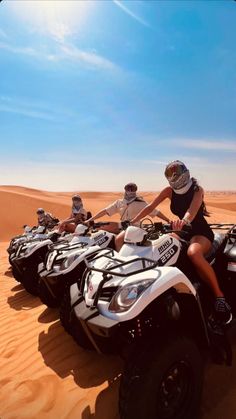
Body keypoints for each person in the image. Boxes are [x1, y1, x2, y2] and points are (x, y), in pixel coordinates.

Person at [130, 160, 232, 325]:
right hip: (182, 231)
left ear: (184, 172)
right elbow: (150, 207)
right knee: (160, 247)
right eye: (170, 174)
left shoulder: (197, 190)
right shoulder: (169, 191)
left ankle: (219, 296)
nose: (174, 177)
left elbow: (191, 211)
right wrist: (132, 221)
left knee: (194, 253)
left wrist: (183, 221)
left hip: (200, 232)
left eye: (176, 173)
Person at [85, 182, 170, 247]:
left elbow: (156, 212)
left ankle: (120, 260)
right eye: (128, 188)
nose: (130, 191)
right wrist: (90, 219)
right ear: (125, 190)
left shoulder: (140, 202)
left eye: (133, 189)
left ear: (136, 190)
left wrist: (168, 220)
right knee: (100, 228)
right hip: (122, 225)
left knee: (118, 240)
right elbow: (105, 211)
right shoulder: (119, 202)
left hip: (134, 228)